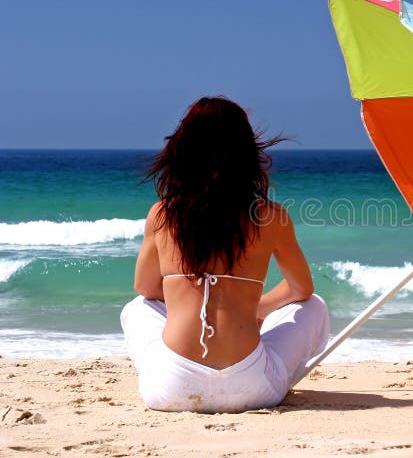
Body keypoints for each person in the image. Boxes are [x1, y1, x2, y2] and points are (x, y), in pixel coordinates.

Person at [120, 96, 329, 413]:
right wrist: (256, 308)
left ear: (184, 149)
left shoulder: (162, 215)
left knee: (137, 309)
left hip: (173, 388)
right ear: (246, 153)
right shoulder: (271, 217)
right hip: (253, 388)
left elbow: (146, 289)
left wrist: (185, 293)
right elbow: (302, 290)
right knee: (314, 306)